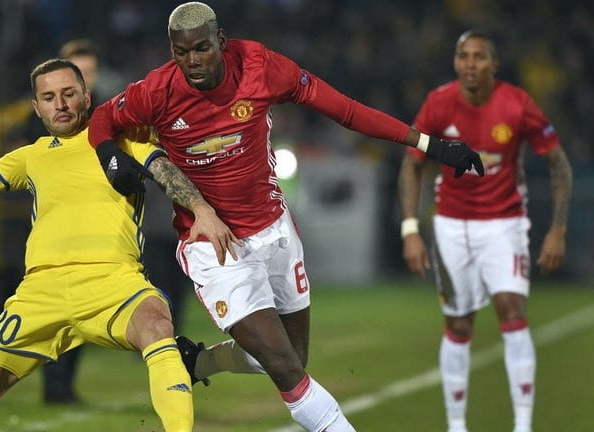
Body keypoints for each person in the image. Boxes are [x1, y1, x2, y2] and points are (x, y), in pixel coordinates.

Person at [87, 2, 484, 431]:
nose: (193, 61)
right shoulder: (157, 91)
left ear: (221, 41)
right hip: (213, 244)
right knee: (286, 369)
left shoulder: (260, 67)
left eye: (202, 49)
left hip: (275, 231)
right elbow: (103, 118)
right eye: (181, 52)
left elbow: (346, 111)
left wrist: (431, 145)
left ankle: (197, 362)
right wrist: (109, 155)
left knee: (291, 357)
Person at [0, 58, 239, 432]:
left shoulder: (122, 140)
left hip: (112, 282)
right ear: (37, 107)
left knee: (156, 322)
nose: (60, 104)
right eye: (49, 97)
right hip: (40, 292)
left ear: (86, 97)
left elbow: (164, 170)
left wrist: (201, 209)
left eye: (69, 94)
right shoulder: (32, 157)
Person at [397, 30, 572, 432]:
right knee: (459, 325)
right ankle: (457, 425)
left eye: (479, 57)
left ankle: (522, 424)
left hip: (504, 224)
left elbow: (558, 163)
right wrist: (410, 229)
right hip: (451, 226)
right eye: (463, 56)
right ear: (455, 62)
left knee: (512, 310)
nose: (470, 64)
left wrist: (558, 229)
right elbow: (412, 164)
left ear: (495, 64)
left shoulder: (518, 104)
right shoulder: (439, 103)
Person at [38, 37, 97, 405]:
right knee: (54, 313)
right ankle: (53, 384)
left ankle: (65, 385)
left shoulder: (106, 114)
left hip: (92, 230)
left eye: (90, 72)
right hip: (53, 229)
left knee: (83, 313)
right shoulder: (46, 119)